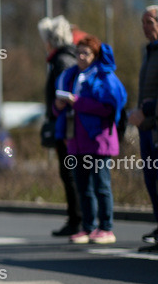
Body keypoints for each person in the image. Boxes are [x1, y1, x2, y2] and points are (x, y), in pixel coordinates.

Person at [54, 35, 127, 245]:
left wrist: (77, 102)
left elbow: (108, 108)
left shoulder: (103, 77)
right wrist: (58, 106)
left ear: (95, 56)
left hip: (98, 140)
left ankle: (106, 228)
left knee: (101, 186)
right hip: (76, 141)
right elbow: (60, 109)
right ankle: (87, 227)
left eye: (85, 53)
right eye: (78, 53)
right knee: (83, 187)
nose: (80, 57)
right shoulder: (71, 76)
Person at [37, 16, 81, 236]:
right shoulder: (62, 59)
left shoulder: (62, 61)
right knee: (69, 172)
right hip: (63, 123)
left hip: (66, 126)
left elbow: (66, 97)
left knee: (70, 173)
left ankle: (77, 219)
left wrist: (62, 125)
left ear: (51, 40)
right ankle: (76, 218)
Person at [127, 5, 158, 251]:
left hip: (154, 126)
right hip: (146, 128)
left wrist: (147, 110)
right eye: (143, 22)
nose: (145, 27)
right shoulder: (148, 51)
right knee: (151, 179)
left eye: (150, 22)